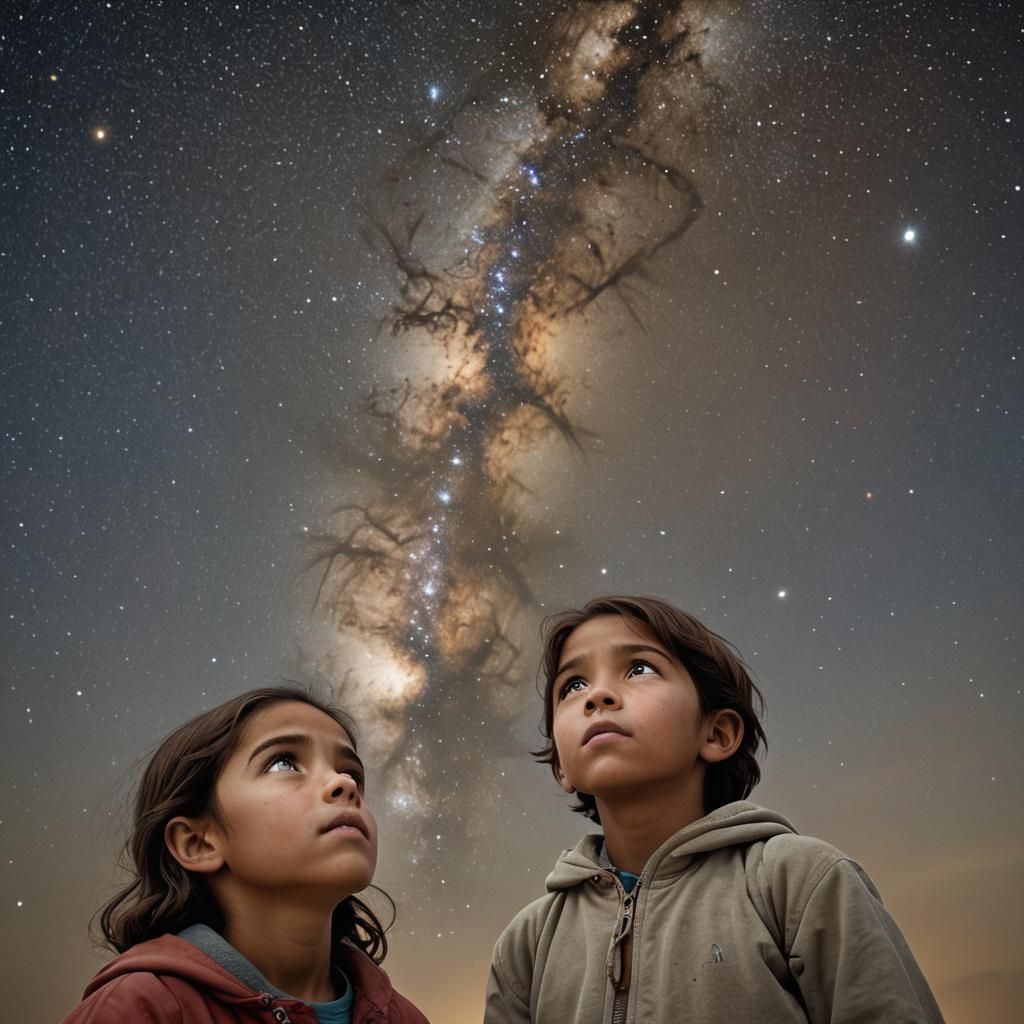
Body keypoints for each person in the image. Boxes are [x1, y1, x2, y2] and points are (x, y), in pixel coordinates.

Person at [485, 595, 944, 1023]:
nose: (597, 696)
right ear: (561, 768)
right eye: (574, 684)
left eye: (639, 668)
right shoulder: (527, 944)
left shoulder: (801, 884)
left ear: (717, 734)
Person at [63, 685, 429, 1024]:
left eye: (351, 772)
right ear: (198, 843)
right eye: (284, 762)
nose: (345, 784)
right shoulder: (138, 1009)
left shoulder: (405, 1018)